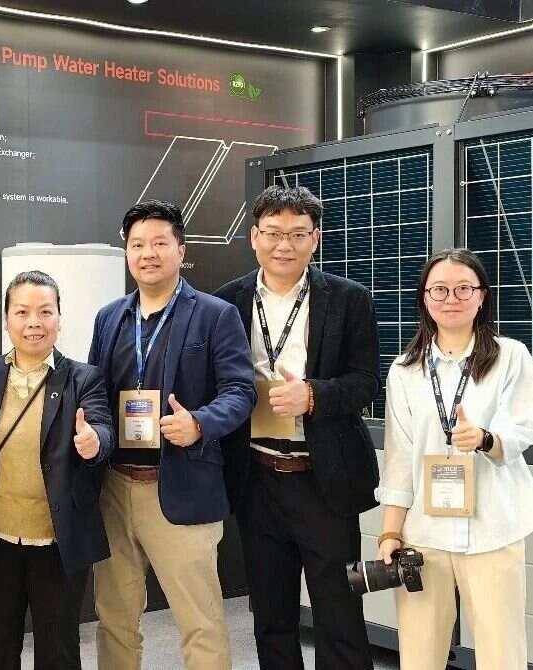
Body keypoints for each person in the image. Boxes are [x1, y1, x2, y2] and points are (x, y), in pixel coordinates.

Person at [215, 185, 380, 670]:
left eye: (297, 234)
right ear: (254, 237)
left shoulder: (349, 299)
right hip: (256, 477)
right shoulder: (226, 302)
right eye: (273, 233)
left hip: (323, 478)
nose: (283, 245)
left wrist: (312, 395)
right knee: (271, 613)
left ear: (315, 239)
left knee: (340, 612)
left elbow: (366, 381)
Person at [88, 199, 255, 670]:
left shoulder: (215, 314)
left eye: (160, 243)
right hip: (115, 488)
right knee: (115, 618)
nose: (148, 253)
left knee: (200, 621)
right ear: (127, 252)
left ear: (181, 250)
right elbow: (96, 392)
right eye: (137, 244)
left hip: (180, 484)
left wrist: (199, 422)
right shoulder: (109, 318)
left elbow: (240, 391)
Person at [377, 248, 533, 670]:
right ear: (424, 298)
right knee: (420, 653)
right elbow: (399, 458)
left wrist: (484, 438)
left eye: (464, 288)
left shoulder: (511, 356)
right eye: (440, 289)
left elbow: (522, 429)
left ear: (482, 296)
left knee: (502, 653)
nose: (451, 298)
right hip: (424, 534)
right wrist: (389, 532)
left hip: (493, 527)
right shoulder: (404, 370)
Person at [0, 271, 115, 670]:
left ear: (59, 318)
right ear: (6, 320)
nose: (34, 322)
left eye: (45, 312)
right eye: (22, 312)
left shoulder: (83, 378)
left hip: (57, 541)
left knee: (59, 651)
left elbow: (103, 427)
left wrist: (94, 441)